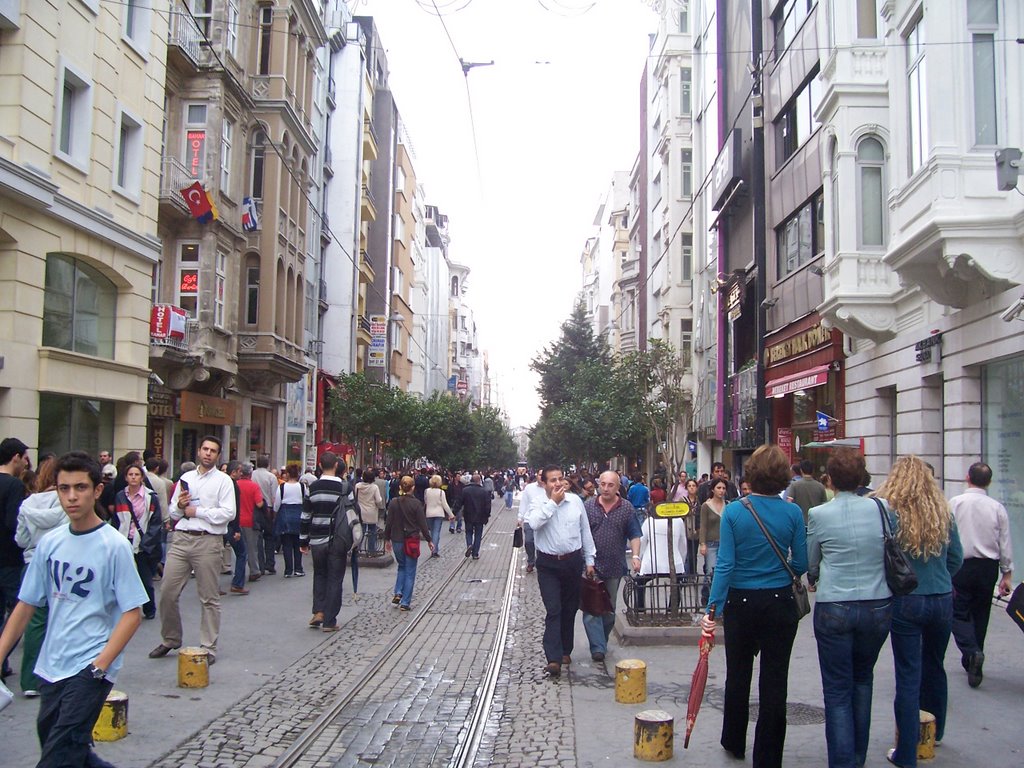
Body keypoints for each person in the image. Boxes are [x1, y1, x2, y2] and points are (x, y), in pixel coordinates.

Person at [0, 451, 148, 768]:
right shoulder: (50, 543)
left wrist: (99, 665)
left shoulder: (114, 545)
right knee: (69, 752)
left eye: (80, 487)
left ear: (96, 491)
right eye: (64, 488)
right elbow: (26, 605)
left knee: (57, 757)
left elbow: (132, 613)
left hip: (89, 669)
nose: (71, 496)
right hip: (51, 665)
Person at [700, 444, 807, 766]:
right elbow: (800, 561)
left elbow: (726, 565)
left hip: (741, 602)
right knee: (775, 680)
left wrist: (712, 608)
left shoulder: (734, 511)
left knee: (738, 674)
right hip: (779, 602)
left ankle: (734, 739)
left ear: (751, 475)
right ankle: (768, 755)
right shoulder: (792, 512)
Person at [806, 448, 893, 768]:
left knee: (837, 690)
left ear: (829, 479)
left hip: (835, 605)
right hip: (877, 604)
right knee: (862, 680)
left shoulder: (820, 514)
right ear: (861, 477)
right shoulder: (882, 508)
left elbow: (810, 562)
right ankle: (856, 758)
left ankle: (843, 762)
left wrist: (815, 576)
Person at [874, 457, 963, 767]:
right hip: (941, 598)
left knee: (908, 674)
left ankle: (907, 750)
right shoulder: (943, 512)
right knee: (935, 665)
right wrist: (940, 578)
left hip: (907, 599)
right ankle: (934, 731)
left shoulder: (891, 514)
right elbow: (957, 559)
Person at [149, 436, 235, 664]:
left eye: (213, 451)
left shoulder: (223, 481)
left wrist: (198, 512)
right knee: (167, 591)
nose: (208, 453)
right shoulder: (186, 478)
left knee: (209, 597)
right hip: (182, 538)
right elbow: (175, 513)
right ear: (199, 451)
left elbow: (228, 513)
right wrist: (179, 507)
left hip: (208, 541)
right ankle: (171, 638)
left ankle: (208, 647)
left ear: (218, 455)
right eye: (205, 449)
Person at [523, 465, 596, 678]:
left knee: (570, 608)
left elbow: (585, 530)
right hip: (548, 565)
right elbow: (534, 523)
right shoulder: (538, 503)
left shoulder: (575, 502)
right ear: (544, 484)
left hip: (572, 561)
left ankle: (566, 649)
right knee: (554, 608)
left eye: (559, 479)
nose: (557, 483)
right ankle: (553, 658)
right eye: (552, 480)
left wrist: (589, 559)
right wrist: (553, 504)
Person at [949, 461, 1014, 688]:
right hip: (988, 567)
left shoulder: (954, 504)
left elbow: (946, 537)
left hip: (961, 565)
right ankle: (974, 660)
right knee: (981, 613)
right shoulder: (997, 508)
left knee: (957, 612)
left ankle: (971, 651)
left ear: (967, 477)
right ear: (989, 482)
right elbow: (1005, 542)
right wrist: (1006, 573)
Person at [14, 457, 66, 697]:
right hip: (62, 566)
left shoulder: (28, 504)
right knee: (62, 620)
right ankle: (57, 675)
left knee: (34, 623)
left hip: (32, 563)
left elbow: (21, 540)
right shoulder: (68, 502)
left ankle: (30, 681)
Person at [582, 471, 642, 661]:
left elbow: (634, 534)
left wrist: (636, 556)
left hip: (615, 566)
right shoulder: (588, 506)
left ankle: (602, 640)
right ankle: (597, 648)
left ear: (618, 487)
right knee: (591, 609)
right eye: (603, 484)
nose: (606, 488)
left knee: (608, 610)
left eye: (610, 485)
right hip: (591, 565)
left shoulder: (626, 508)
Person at [300, 452, 359, 631]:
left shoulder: (313, 487)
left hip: (317, 539)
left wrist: (303, 540)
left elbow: (305, 515)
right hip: (337, 539)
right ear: (335, 466)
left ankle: (318, 611)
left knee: (319, 574)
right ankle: (330, 621)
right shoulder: (345, 487)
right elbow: (353, 512)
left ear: (319, 465)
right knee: (335, 578)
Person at [111, 464, 162, 619]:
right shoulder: (120, 496)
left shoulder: (150, 497)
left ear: (142, 477)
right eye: (130, 474)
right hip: (124, 541)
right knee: (122, 577)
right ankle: (125, 608)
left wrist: (146, 543)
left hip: (143, 544)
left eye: (136, 474)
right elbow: (116, 520)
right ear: (126, 477)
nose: (133, 477)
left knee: (145, 579)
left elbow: (155, 522)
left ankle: (149, 608)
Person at [0, 437, 30, 682]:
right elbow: (14, 523)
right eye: (24, 458)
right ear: (16, 457)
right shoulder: (14, 486)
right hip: (9, 558)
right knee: (20, 611)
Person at [384, 476, 431, 611]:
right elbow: (423, 524)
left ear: (400, 487)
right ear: (413, 488)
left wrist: (387, 539)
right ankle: (405, 602)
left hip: (397, 539)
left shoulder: (393, 502)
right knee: (410, 571)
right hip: (411, 540)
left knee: (401, 566)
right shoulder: (417, 504)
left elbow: (389, 522)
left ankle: (398, 592)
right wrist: (429, 540)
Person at [699, 477, 728, 607]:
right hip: (711, 543)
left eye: (723, 488)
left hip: (725, 543)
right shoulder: (706, 506)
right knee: (711, 571)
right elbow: (703, 526)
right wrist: (702, 543)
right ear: (713, 489)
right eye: (719, 488)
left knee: (722, 571)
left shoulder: (728, 505)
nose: (721, 491)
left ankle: (718, 598)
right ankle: (709, 597)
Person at [235, 464, 266, 583]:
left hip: (236, 520)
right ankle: (254, 571)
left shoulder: (236, 484)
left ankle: (239, 573)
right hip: (250, 520)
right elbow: (259, 504)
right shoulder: (254, 486)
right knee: (252, 548)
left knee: (239, 549)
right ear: (250, 474)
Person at [274, 465, 306, 577]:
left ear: (287, 474)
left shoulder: (282, 487)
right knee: (298, 544)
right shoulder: (302, 487)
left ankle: (288, 570)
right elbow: (306, 501)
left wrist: (275, 513)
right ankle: (298, 568)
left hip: (285, 515)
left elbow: (277, 504)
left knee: (286, 544)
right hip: (299, 515)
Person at [251, 456, 279, 575]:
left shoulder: (252, 475)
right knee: (269, 536)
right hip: (267, 508)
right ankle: (270, 563)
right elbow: (274, 495)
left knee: (258, 536)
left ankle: (260, 564)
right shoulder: (271, 477)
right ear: (267, 464)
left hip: (254, 507)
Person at [517, 473, 547, 573]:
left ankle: (541, 562)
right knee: (529, 541)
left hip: (544, 520)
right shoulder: (529, 488)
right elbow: (524, 503)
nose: (541, 477)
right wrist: (520, 517)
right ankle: (531, 560)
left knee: (542, 543)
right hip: (529, 519)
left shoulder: (550, 488)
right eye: (539, 474)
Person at [461, 473, 492, 560]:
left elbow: (460, 502)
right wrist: (487, 516)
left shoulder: (465, 490)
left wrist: (454, 513)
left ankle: (469, 545)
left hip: (468, 516)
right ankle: (475, 553)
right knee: (478, 535)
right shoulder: (484, 491)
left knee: (468, 532)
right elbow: (487, 506)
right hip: (480, 517)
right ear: (479, 481)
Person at [788, 459, 828, 526]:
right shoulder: (820, 486)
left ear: (801, 470)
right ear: (813, 470)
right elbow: (824, 507)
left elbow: (789, 502)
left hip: (799, 524)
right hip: (816, 524)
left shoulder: (794, 485)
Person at [355, 469, 385, 555]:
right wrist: (379, 506)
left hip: (361, 511)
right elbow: (378, 500)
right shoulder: (374, 487)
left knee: (361, 531)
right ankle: (371, 550)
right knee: (372, 531)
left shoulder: (357, 486)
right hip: (372, 511)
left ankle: (358, 548)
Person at [424, 474, 453, 557]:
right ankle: (434, 550)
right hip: (439, 513)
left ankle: (434, 548)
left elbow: (425, 502)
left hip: (429, 513)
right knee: (436, 532)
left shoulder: (426, 491)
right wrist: (451, 514)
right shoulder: (441, 492)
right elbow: (445, 504)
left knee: (432, 531)